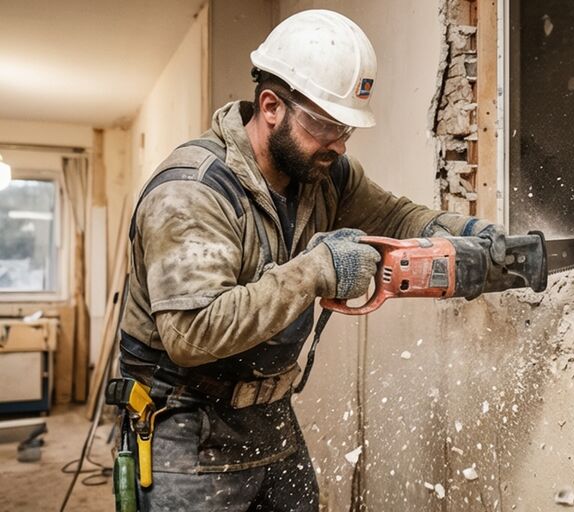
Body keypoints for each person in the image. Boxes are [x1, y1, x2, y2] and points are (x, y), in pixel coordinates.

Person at [117, 9, 505, 511]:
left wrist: (467, 233)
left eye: (346, 127)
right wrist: (318, 270)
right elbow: (193, 333)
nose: (340, 143)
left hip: (272, 419)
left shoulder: (322, 174)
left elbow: (395, 217)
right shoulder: (193, 192)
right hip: (185, 430)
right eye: (325, 125)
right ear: (272, 105)